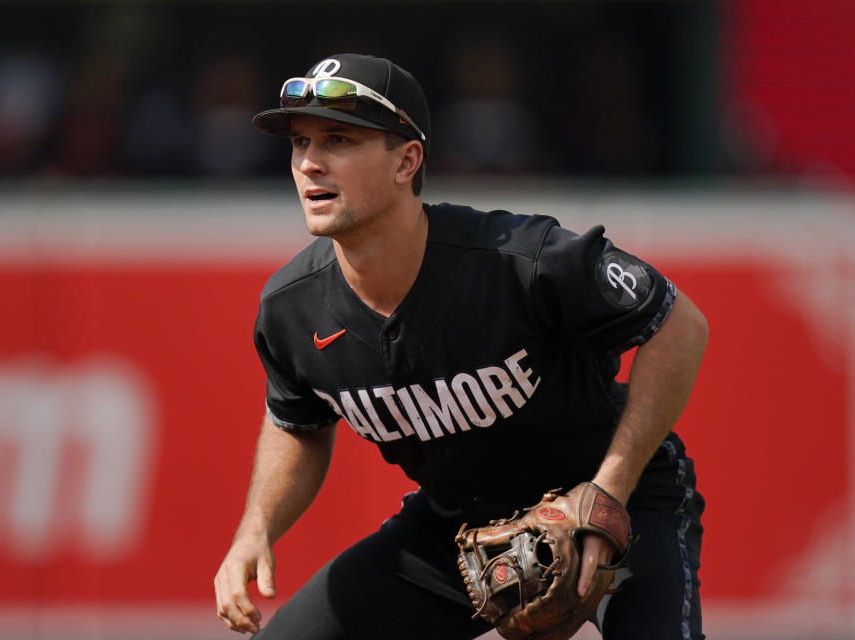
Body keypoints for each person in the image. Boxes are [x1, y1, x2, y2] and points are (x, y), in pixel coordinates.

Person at [214, 53, 708, 640]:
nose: (309, 163)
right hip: (455, 527)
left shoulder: (517, 259)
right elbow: (298, 422)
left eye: (338, 139)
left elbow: (677, 323)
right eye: (299, 143)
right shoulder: (293, 308)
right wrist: (256, 530)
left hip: (613, 500)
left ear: (407, 161)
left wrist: (608, 493)